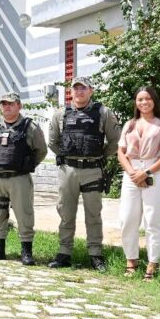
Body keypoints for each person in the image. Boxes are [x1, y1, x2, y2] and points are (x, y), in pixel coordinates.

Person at [48, 76, 120, 271]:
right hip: (68, 170)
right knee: (65, 212)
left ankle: (95, 254)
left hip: (92, 170)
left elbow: (115, 141)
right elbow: (53, 142)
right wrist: (68, 157)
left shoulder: (103, 113)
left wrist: (100, 156)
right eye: (76, 89)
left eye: (83, 88)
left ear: (91, 91)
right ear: (71, 91)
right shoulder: (60, 114)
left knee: (93, 214)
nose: (79, 92)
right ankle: (64, 253)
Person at [117, 87, 160, 280]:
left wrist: (146, 172)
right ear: (135, 102)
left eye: (147, 99)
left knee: (154, 220)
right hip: (131, 173)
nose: (144, 102)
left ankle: (153, 264)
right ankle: (131, 260)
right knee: (127, 218)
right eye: (140, 99)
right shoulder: (130, 124)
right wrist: (132, 173)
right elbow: (121, 151)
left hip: (156, 172)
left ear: (154, 101)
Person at [0, 92, 47, 265]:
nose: (7, 107)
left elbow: (41, 151)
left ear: (19, 106)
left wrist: (25, 165)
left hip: (19, 179)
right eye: (4, 104)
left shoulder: (30, 127)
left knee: (24, 215)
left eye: (11, 104)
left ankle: (26, 252)